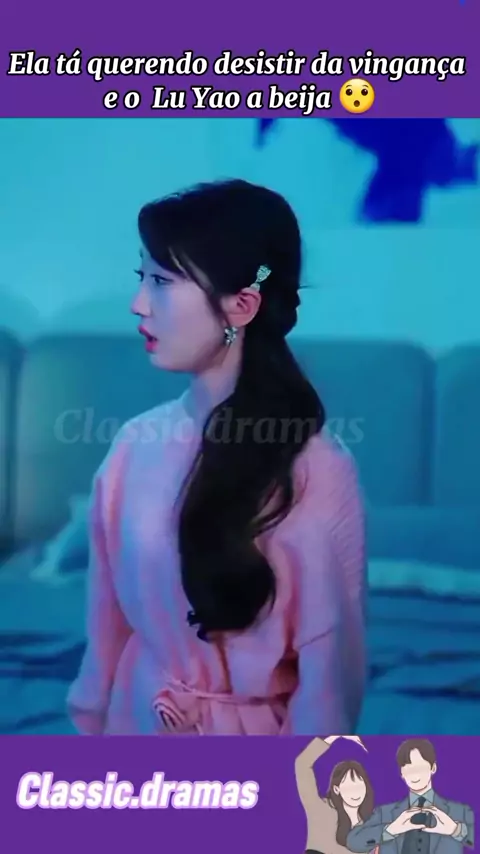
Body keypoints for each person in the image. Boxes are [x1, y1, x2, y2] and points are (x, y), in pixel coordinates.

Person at [67, 178, 366, 736]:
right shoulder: (134, 444)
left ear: (242, 304)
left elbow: (327, 681)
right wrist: (91, 725)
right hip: (137, 726)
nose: (137, 304)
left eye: (161, 281)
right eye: (141, 277)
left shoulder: (316, 467)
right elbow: (106, 622)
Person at [347, 738, 474, 853]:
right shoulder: (384, 813)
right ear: (401, 773)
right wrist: (391, 829)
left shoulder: (460, 812)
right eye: (408, 768)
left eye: (420, 767)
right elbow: (353, 841)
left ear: (433, 768)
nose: (415, 774)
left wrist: (455, 830)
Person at [295, 734, 376, 854]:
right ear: (337, 789)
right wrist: (331, 738)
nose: (355, 792)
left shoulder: (370, 823)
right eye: (348, 786)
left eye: (359, 786)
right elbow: (302, 764)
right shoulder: (321, 809)